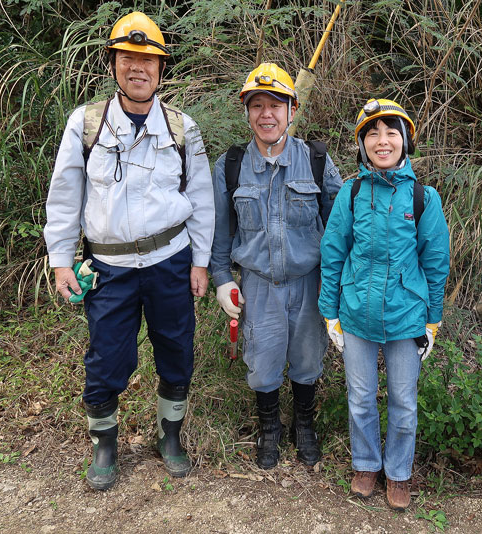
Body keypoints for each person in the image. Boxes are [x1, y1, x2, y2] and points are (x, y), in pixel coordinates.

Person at [43, 12, 214, 490]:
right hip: (109, 266)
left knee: (177, 349)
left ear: (161, 69)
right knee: (107, 358)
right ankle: (105, 444)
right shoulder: (87, 123)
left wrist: (200, 261)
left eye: (148, 60)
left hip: (171, 261)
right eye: (128, 58)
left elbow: (201, 199)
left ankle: (170, 435)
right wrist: (60, 260)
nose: (138, 68)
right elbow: (64, 195)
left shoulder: (182, 127)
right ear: (113, 64)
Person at [209, 62, 343, 469]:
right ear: (246, 111)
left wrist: (335, 284)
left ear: (292, 108)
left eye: (276, 104)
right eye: (257, 105)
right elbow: (220, 235)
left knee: (307, 361)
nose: (266, 114)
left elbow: (340, 228)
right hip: (258, 285)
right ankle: (269, 427)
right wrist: (220, 280)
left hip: (309, 283)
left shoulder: (317, 160)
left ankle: (304, 423)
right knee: (263, 364)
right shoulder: (229, 167)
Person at [319, 98, 450, 511]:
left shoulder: (423, 198)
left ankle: (398, 473)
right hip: (356, 311)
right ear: (361, 144)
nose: (382, 140)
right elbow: (333, 251)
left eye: (391, 132)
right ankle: (365, 464)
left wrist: (432, 321)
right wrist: (330, 313)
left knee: (404, 401)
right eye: (372, 133)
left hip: (405, 316)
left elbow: (435, 262)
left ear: (405, 140)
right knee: (359, 396)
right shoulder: (351, 193)